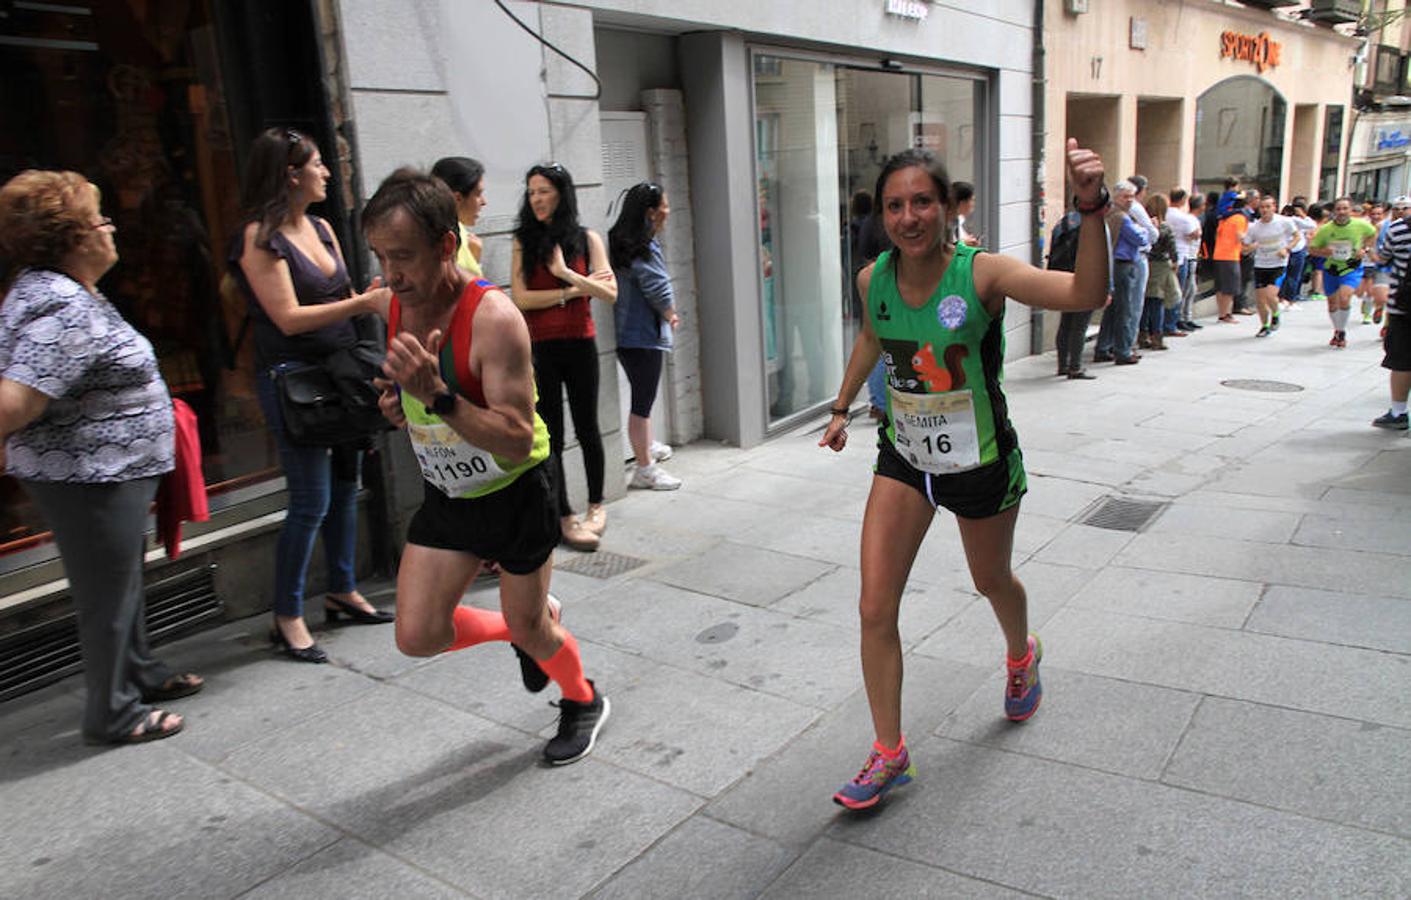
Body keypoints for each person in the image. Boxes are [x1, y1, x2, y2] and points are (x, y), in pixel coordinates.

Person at [817, 139, 1107, 810]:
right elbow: (872, 335)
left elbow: (1085, 291)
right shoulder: (872, 279)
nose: (908, 216)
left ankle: (1019, 654)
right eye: (894, 205)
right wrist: (839, 407)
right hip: (904, 459)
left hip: (979, 463)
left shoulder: (983, 275)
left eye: (922, 201)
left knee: (989, 580)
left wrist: (1090, 208)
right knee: (872, 606)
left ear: (948, 206)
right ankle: (888, 752)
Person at [365, 168, 609, 764]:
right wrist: (404, 405)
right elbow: (423, 403)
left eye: (403, 257)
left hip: (516, 490)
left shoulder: (493, 317)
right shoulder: (397, 304)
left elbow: (513, 437)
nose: (391, 274)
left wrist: (439, 395)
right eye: (380, 256)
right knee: (417, 634)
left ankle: (583, 699)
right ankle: (522, 626)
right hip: (449, 494)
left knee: (534, 631)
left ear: (446, 246)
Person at [0, 170, 202, 743]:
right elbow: (12, 401)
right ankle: (113, 712)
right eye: (100, 219)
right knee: (107, 596)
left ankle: (137, 672)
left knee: (122, 583)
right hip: (87, 474)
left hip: (106, 469)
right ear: (72, 238)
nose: (111, 228)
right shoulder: (61, 304)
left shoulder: (60, 289)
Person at [230, 128, 393, 664]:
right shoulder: (260, 237)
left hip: (342, 375)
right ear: (290, 174)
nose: (327, 171)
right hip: (294, 380)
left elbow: (341, 296)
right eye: (317, 163)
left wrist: (362, 299)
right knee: (310, 501)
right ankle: (287, 615)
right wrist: (361, 307)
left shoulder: (322, 228)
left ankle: (342, 590)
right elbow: (288, 318)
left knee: (348, 488)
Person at [510, 163, 617, 552]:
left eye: (543, 190)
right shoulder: (523, 241)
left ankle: (596, 504)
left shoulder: (587, 239)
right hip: (541, 347)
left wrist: (567, 275)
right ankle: (562, 512)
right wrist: (572, 293)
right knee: (551, 432)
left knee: (588, 427)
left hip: (580, 343)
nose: (536, 198)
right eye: (531, 191)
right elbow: (520, 298)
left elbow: (610, 292)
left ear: (561, 193)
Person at [609, 182, 682, 490]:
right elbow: (656, 285)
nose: (667, 211)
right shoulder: (643, 247)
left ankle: (646, 446)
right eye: (663, 206)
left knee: (644, 399)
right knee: (642, 403)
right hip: (642, 337)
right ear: (651, 213)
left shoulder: (622, 241)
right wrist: (670, 312)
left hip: (630, 336)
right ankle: (644, 469)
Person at [1309, 198, 1378, 348]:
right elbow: (1312, 249)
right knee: (1332, 303)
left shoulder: (1360, 225)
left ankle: (1341, 332)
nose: (1341, 212)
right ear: (1334, 211)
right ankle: (1338, 330)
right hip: (1331, 269)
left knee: (1344, 297)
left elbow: (1373, 233)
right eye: (1338, 209)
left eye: (1345, 208)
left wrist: (1365, 249)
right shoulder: (1326, 229)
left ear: (1350, 210)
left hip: (1351, 268)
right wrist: (1324, 252)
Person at [1093, 182, 1149, 365]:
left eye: (1132, 196)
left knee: (1112, 310)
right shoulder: (1122, 217)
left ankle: (1103, 348)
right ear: (1116, 197)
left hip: (1115, 264)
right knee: (1125, 309)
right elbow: (1141, 238)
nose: (1130, 200)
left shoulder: (1111, 215)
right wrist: (1144, 229)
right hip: (1123, 265)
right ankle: (1123, 351)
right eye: (1126, 196)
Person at [1049, 202, 1103, 379]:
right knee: (1080, 325)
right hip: (1084, 278)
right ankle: (1075, 367)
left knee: (1066, 322)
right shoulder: (1091, 226)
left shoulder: (1064, 222)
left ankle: (1062, 365)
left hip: (1062, 277)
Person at [1374, 196, 1411, 430]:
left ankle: (1398, 412)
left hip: (1404, 306)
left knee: (1402, 360)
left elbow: (1384, 258)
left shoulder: (1398, 229)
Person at [1241, 196, 1298, 337]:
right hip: (1261, 264)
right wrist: (1250, 246)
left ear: (1274, 207)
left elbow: (1297, 237)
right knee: (1260, 299)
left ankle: (1276, 314)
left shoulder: (1284, 222)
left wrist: (1287, 249)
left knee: (1270, 295)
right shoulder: (1254, 227)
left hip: (1278, 264)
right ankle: (1265, 325)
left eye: (1268, 206)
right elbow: (1244, 248)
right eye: (1262, 207)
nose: (1265, 210)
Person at [430, 156, 488, 277]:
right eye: (478, 194)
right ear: (457, 198)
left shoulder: (465, 236)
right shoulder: (434, 243)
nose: (484, 202)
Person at [1139, 193, 1180, 349]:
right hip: (1160, 266)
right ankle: (1157, 336)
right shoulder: (1164, 227)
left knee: (1145, 303)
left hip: (1145, 263)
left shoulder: (1144, 225)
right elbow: (1172, 248)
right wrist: (1175, 262)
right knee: (1157, 302)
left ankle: (1142, 334)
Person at [1167, 189, 1204, 332]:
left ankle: (1180, 319)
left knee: (1185, 289)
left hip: (1181, 255)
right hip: (1184, 255)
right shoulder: (1184, 218)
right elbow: (1192, 235)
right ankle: (1176, 320)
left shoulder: (1170, 214)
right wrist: (1197, 233)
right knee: (1181, 290)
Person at [1212, 192, 1249, 323]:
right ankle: (1225, 314)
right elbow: (1241, 236)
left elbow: (1217, 235)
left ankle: (1221, 313)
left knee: (1220, 286)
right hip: (1231, 255)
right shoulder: (1240, 218)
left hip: (1218, 254)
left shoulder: (1224, 217)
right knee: (1230, 287)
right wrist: (1251, 243)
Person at [1280, 202, 1315, 307]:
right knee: (1293, 276)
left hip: (1287, 249)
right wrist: (1303, 216)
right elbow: (1312, 225)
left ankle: (1282, 299)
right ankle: (1290, 299)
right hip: (1296, 250)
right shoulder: (1294, 220)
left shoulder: (1281, 220)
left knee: (1285, 275)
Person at [952, 181, 981, 247]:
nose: (973, 204)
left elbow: (961, 239)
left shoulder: (959, 218)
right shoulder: (944, 223)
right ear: (962, 202)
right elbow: (943, 249)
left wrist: (970, 241)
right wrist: (964, 243)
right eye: (972, 200)